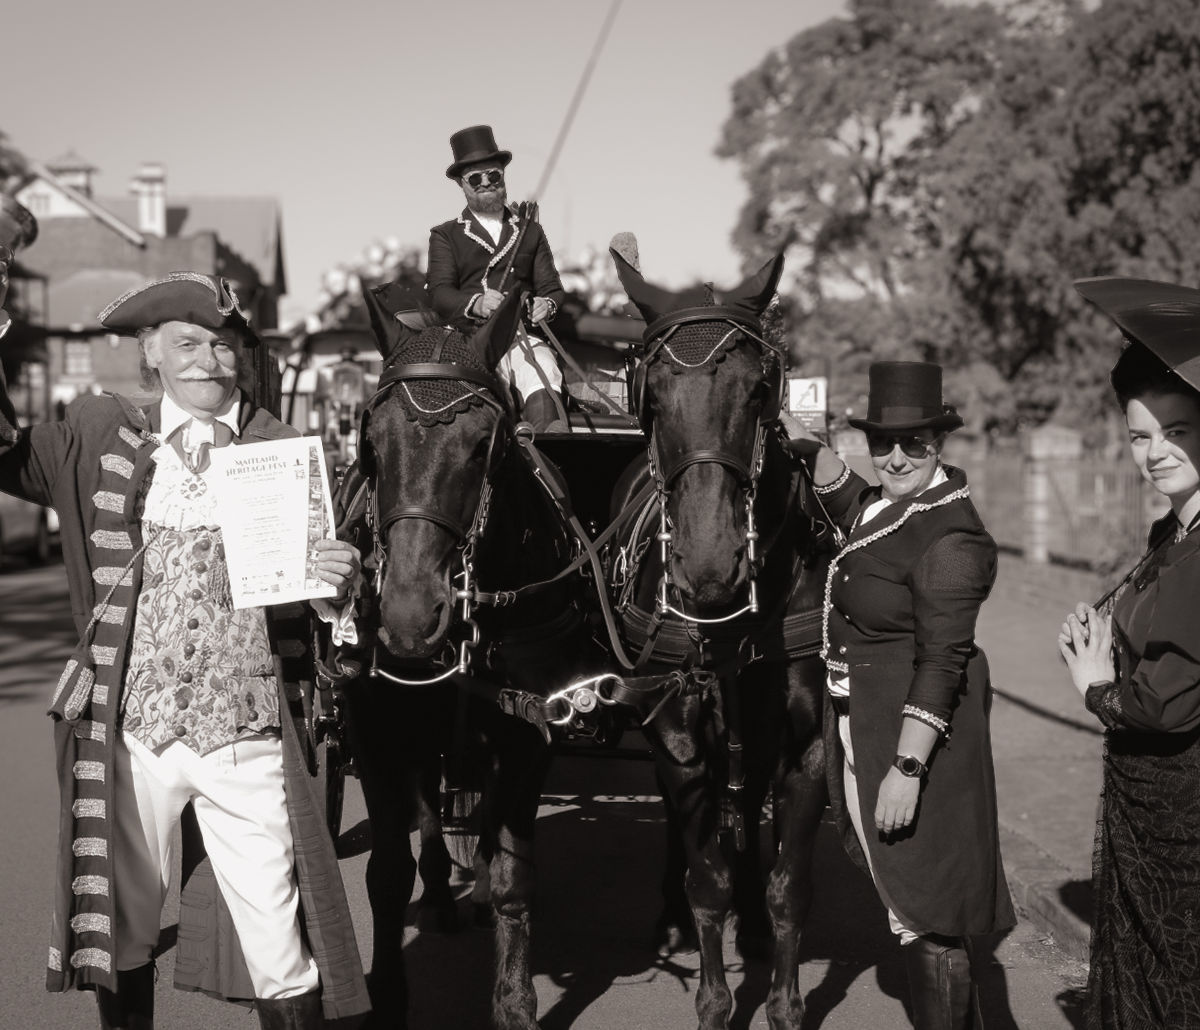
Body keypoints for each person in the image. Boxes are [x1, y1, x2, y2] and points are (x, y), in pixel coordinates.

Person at [0, 272, 370, 1030]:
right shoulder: (100, 436)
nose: (210, 359)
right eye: (189, 343)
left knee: (277, 938)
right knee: (126, 930)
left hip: (246, 734)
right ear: (152, 354)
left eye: (223, 345)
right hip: (134, 736)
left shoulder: (280, 450)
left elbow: (316, 600)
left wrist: (336, 581)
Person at [781, 361, 1014, 1030]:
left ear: (939, 442)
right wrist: (802, 440)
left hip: (915, 743)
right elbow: (857, 505)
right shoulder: (895, 505)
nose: (896, 456)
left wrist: (907, 770)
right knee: (907, 908)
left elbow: (943, 660)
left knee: (929, 914)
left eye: (914, 442)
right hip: (866, 725)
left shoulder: (953, 538)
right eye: (883, 441)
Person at [1059, 277, 1200, 1029]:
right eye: (1140, 435)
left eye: (1178, 431)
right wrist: (1105, 636)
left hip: (1184, 822)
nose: (1155, 453)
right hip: (1146, 812)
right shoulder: (1166, 537)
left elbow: (1166, 703)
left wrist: (1093, 686)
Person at [425, 124, 567, 430]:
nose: (486, 183)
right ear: (462, 185)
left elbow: (553, 288)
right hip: (468, 338)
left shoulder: (531, 231)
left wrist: (547, 304)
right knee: (482, 379)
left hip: (521, 336)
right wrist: (476, 303)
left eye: (494, 175)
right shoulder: (445, 235)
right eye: (475, 178)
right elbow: (439, 293)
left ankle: (545, 446)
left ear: (503, 176)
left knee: (542, 367)